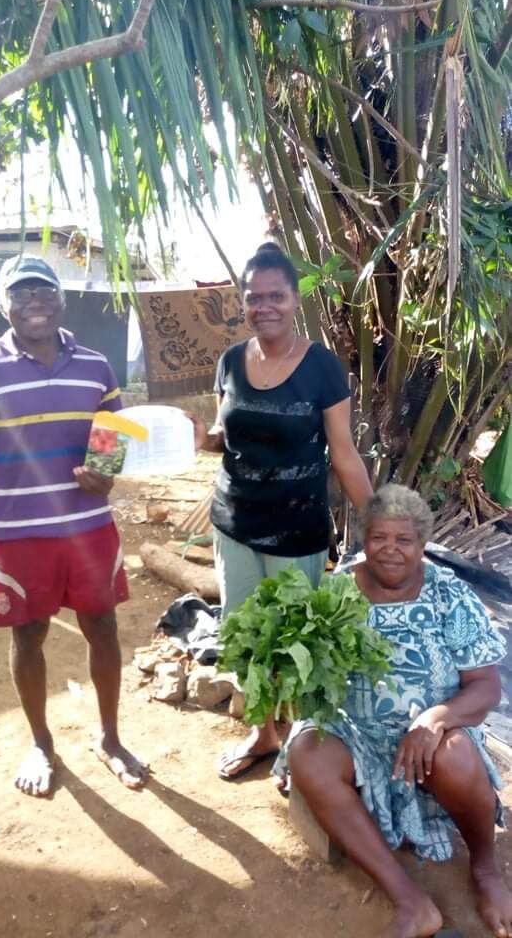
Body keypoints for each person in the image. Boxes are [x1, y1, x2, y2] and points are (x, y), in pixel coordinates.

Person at [282, 483, 511, 938]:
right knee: (308, 750)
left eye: (403, 540)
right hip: (359, 734)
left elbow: (485, 687)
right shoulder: (338, 592)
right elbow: (314, 677)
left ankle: (485, 870)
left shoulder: (449, 595)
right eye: (378, 538)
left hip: (433, 734)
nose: (389, 551)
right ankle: (412, 903)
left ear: (421, 544)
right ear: (364, 539)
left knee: (455, 753)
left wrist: (434, 719)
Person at [190, 242, 373, 779]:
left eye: (275, 296)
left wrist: (378, 519)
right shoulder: (230, 361)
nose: (263, 306)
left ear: (295, 300)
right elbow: (229, 437)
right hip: (235, 523)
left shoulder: (322, 368)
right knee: (246, 633)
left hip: (297, 528)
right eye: (253, 297)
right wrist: (205, 440)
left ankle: (304, 746)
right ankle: (266, 731)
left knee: (296, 641)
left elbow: (342, 453)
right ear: (243, 303)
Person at [0, 254, 149, 796]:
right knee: (29, 635)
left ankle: (111, 737)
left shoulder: (96, 364)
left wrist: (103, 478)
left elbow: (111, 443)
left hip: (89, 528)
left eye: (44, 291)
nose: (34, 301)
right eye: (21, 293)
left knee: (103, 628)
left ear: (62, 300)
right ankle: (41, 743)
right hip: (22, 533)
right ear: (4, 306)